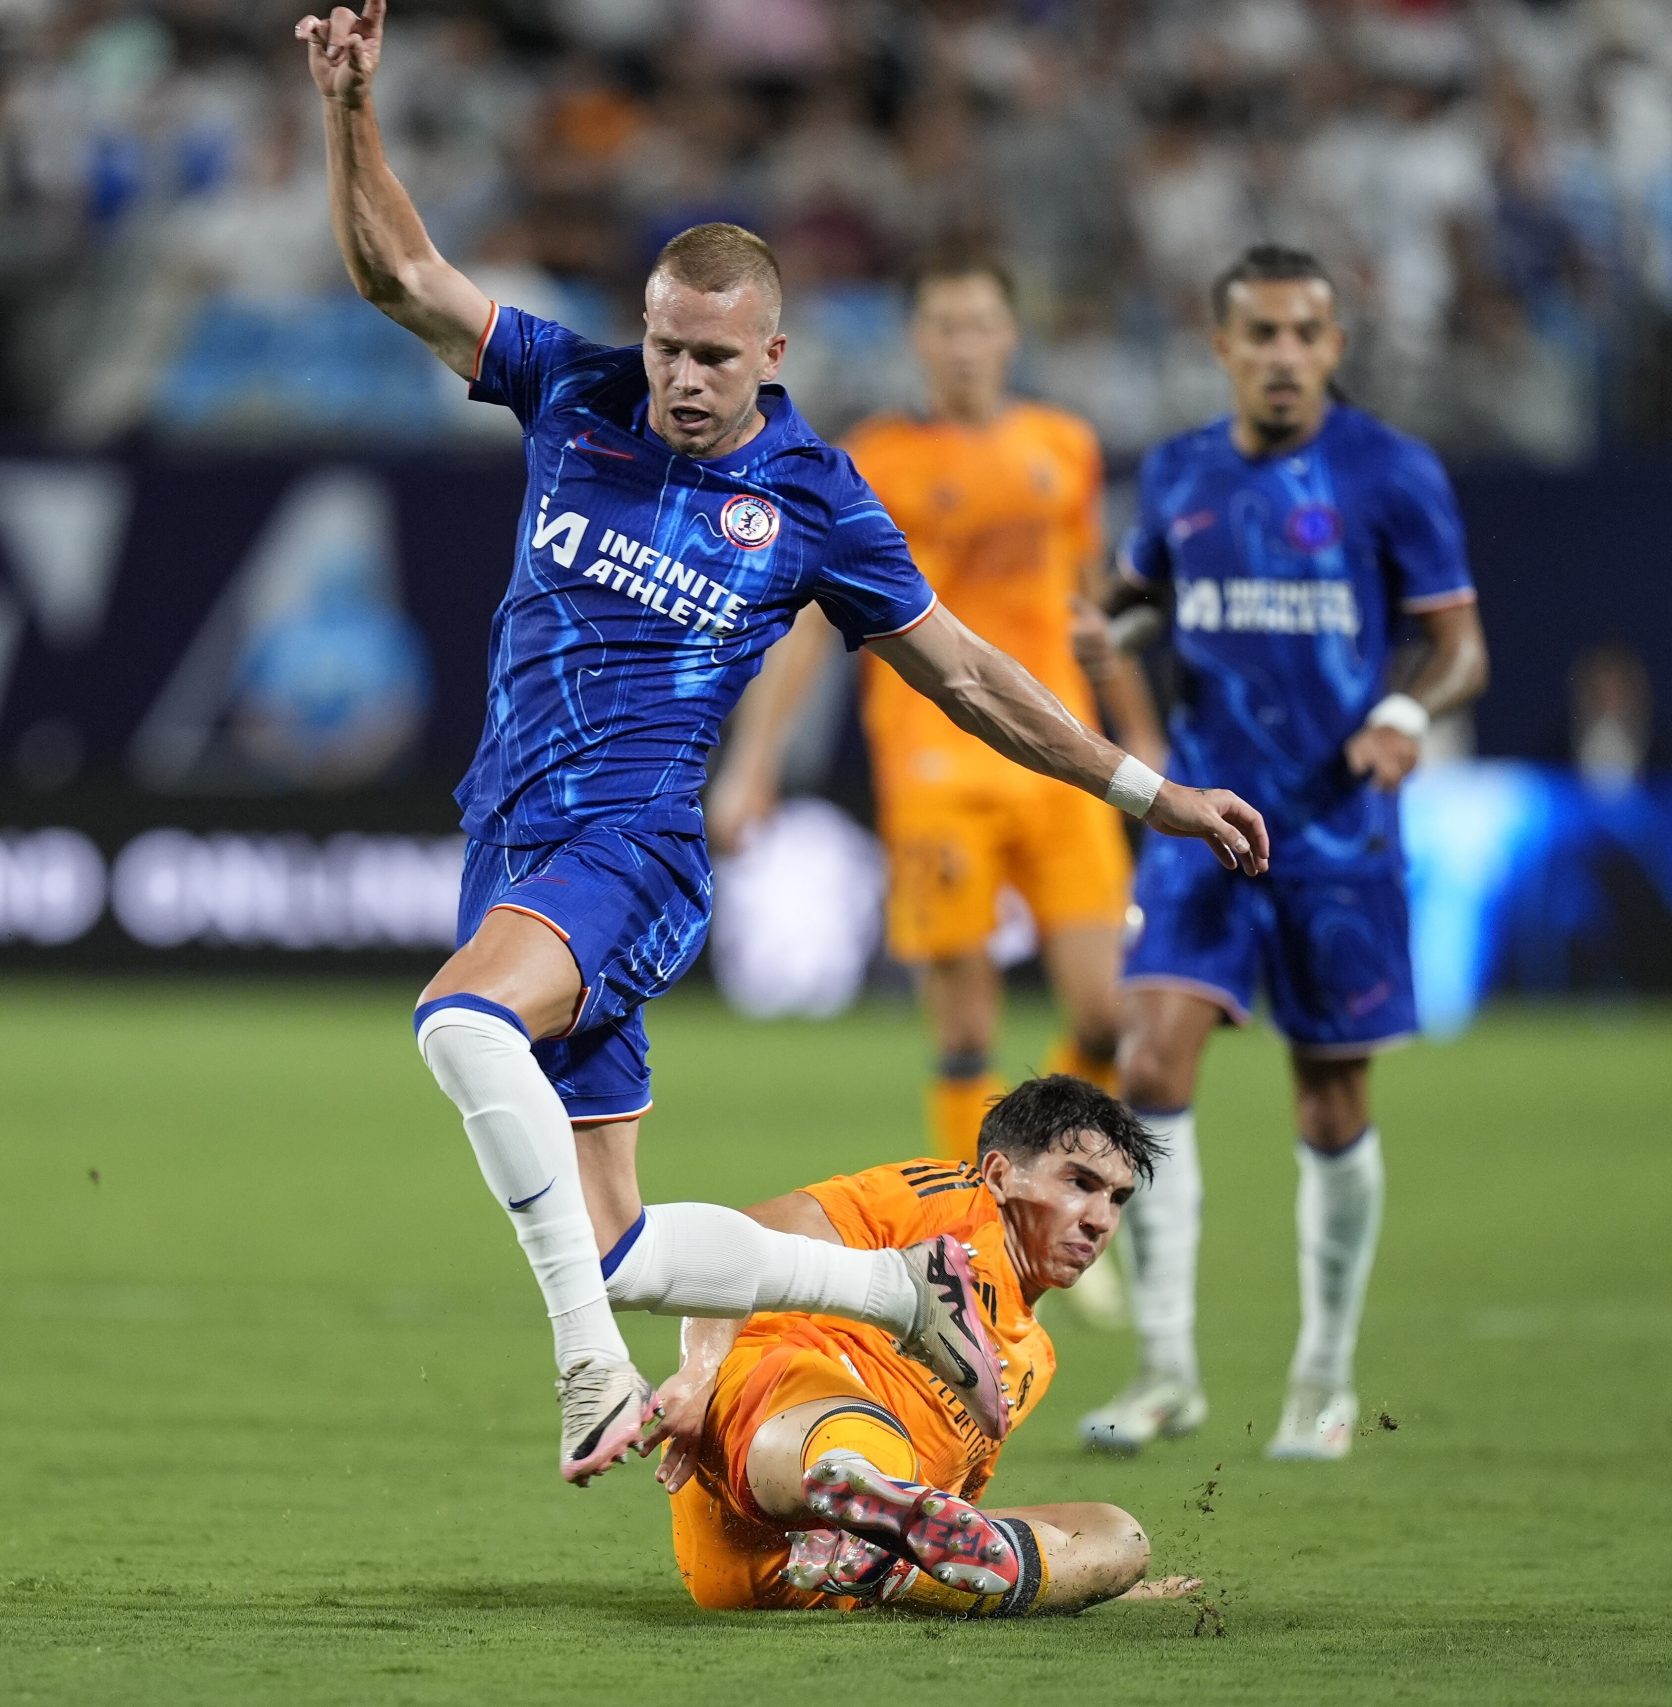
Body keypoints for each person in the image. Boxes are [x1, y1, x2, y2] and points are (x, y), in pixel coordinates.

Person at [295, 5, 1271, 1486]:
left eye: (711, 356)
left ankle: (582, 1379)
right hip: (509, 834)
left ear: (773, 351)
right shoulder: (575, 387)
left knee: (461, 1023)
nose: (680, 378)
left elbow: (969, 674)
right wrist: (352, 105)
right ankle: (901, 1289)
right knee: (618, 1241)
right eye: (665, 346)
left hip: (627, 845)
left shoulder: (816, 496)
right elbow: (396, 275)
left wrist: (1149, 790)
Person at [1078, 245, 1488, 1461]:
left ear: (1334, 347)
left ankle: (1321, 1373)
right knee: (1148, 1062)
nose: (1282, 356)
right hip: (1208, 825)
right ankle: (1163, 1370)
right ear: (1221, 346)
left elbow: (1460, 647)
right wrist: (1114, 650)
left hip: (1338, 832)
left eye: (1305, 333)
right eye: (1258, 334)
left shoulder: (1390, 473)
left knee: (1331, 1095)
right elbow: (1134, 605)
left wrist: (1405, 715)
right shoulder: (1181, 474)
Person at [709, 252, 1163, 1168]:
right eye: (945, 326)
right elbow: (807, 620)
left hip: (1059, 747)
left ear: (1011, 334)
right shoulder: (875, 459)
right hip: (934, 756)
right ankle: (977, 1226)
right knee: (965, 1020)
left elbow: (1089, 608)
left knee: (1108, 1013)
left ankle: (1049, 1178)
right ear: (918, 339)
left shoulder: (1062, 446)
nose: (963, 346)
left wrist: (1139, 729)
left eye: (980, 324)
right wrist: (754, 762)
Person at [647, 1076, 1202, 1615]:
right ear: (1001, 1174)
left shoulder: (1034, 1358)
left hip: (824, 1582)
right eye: (1079, 1184)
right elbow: (729, 1245)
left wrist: (1083, 1581)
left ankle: (883, 1559)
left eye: (1118, 1198)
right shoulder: (940, 1203)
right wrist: (699, 1372)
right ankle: (858, 1495)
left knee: (1116, 1536)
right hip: (758, 1461)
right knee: (850, 1431)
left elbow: (951, 1518)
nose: (1101, 1221)